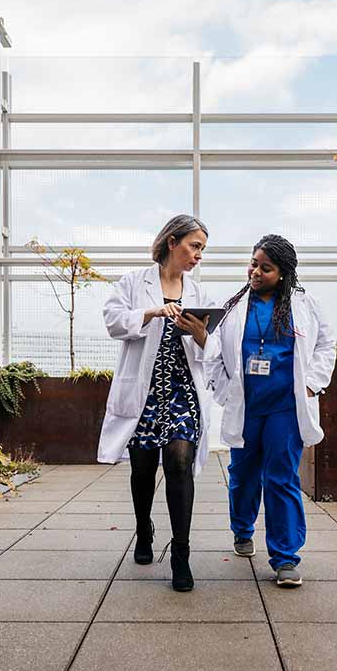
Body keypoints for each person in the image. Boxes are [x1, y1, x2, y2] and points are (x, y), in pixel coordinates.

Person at [207, 234, 335, 587]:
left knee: (281, 477)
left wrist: (311, 384)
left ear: (283, 273)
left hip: (286, 407)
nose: (256, 272)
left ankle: (285, 557)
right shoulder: (232, 305)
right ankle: (242, 528)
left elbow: (326, 343)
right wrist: (224, 388)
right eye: (253, 263)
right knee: (243, 474)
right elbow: (214, 351)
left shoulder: (304, 304)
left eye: (266, 268)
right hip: (246, 405)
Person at [98, 214, 214, 592]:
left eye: (202, 250)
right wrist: (152, 312)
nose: (198, 255)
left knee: (179, 462)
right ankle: (143, 529)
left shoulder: (198, 294)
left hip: (182, 392)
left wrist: (198, 332)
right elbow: (113, 321)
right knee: (143, 470)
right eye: (194, 246)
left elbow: (211, 349)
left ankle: (181, 553)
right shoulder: (134, 282)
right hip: (144, 393)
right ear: (172, 242)